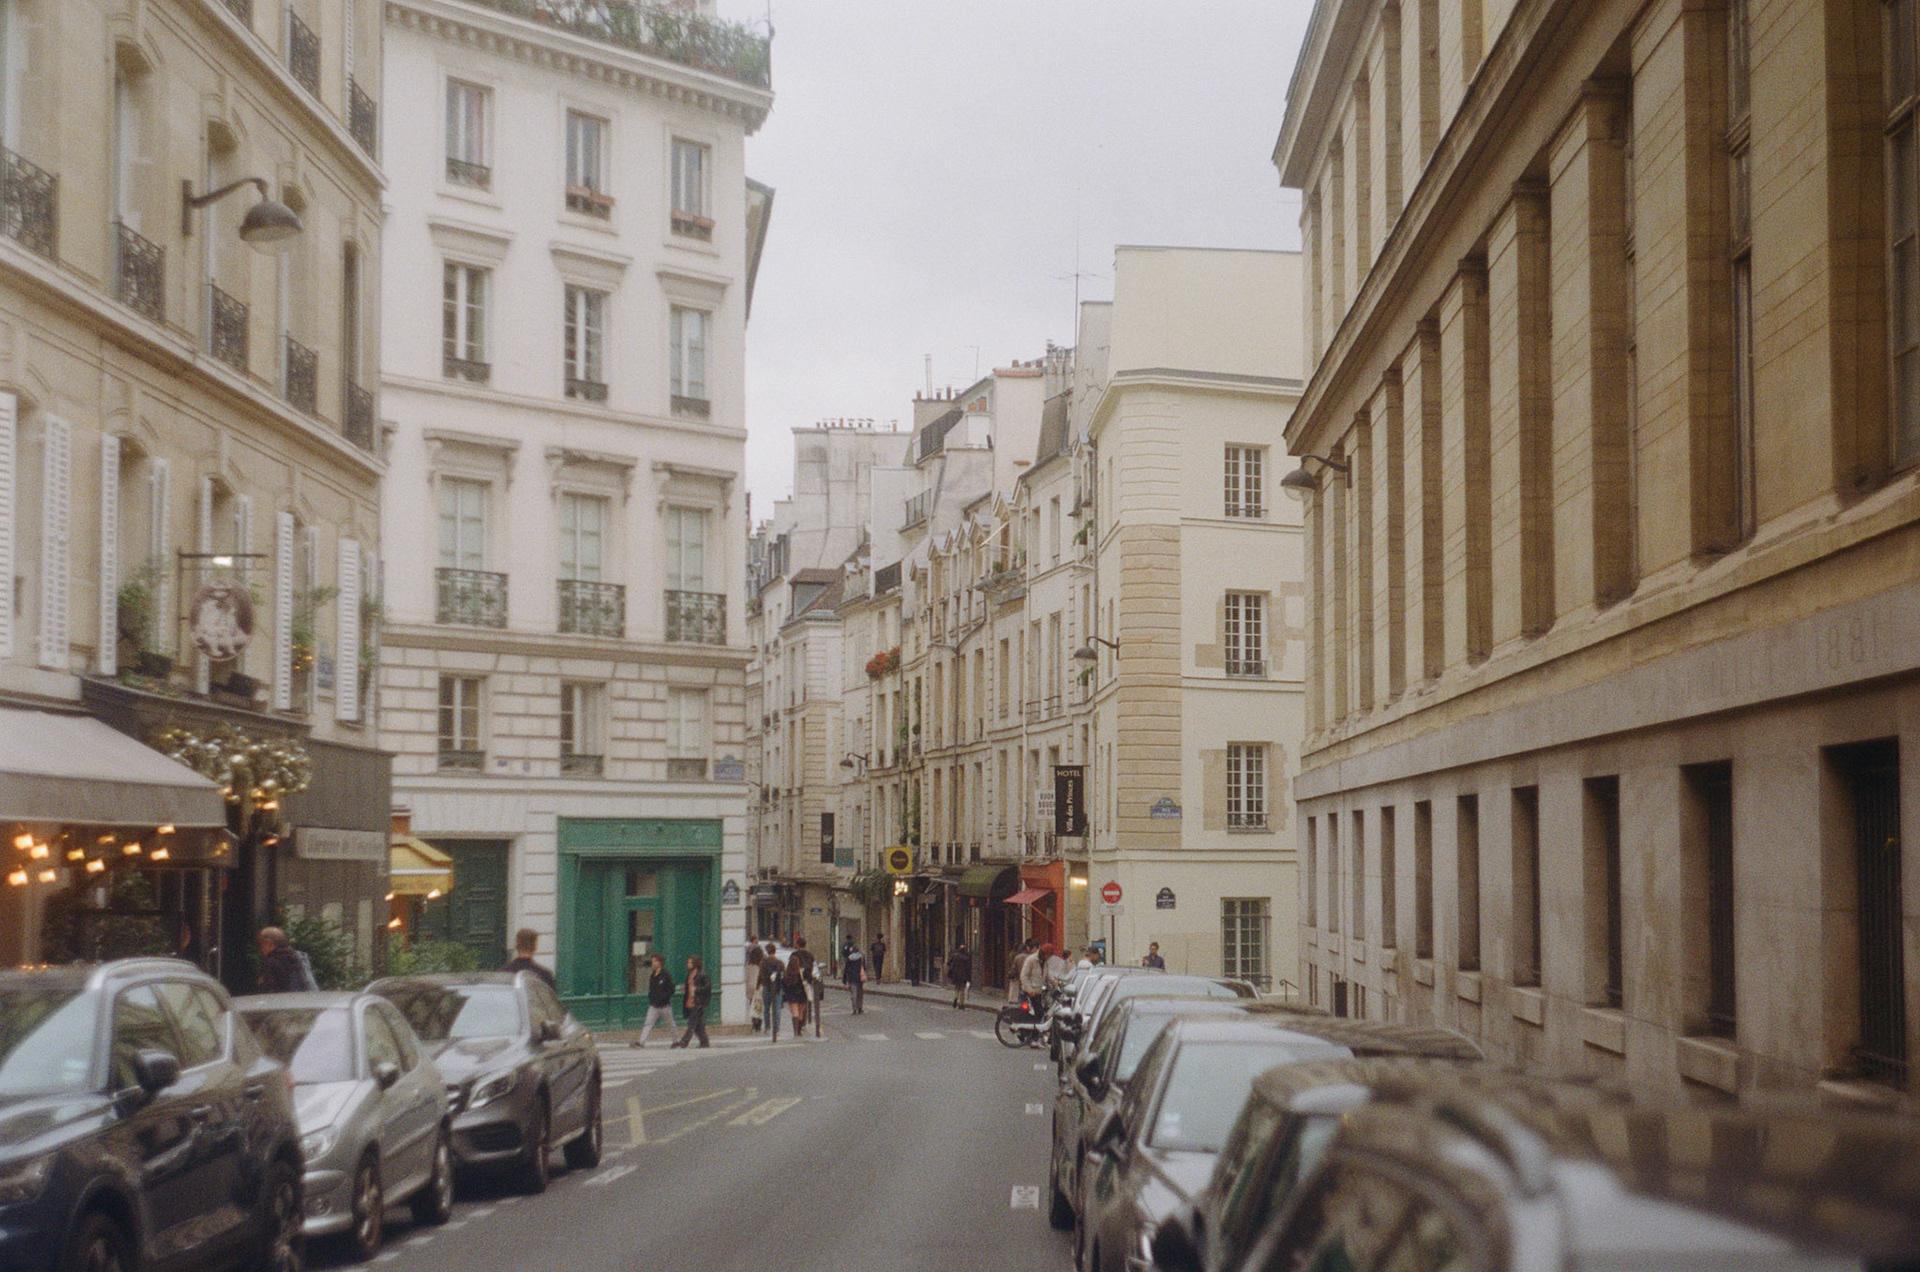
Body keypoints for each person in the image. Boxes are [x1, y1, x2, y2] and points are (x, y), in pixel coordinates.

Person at [632, 954, 676, 1048]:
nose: (652, 964)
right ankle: (641, 1042)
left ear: (659, 962)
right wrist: (651, 997)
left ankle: (675, 1041)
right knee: (648, 1023)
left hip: (664, 1005)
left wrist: (664, 997)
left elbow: (671, 989)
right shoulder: (653, 975)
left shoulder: (666, 975)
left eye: (653, 961)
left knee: (670, 1023)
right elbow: (652, 988)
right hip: (654, 1005)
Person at [255, 926, 312, 993]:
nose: (260, 948)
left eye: (261, 944)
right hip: (306, 997)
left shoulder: (271, 963)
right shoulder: (299, 957)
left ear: (269, 943)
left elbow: (268, 990)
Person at [671, 955, 711, 1049]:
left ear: (695, 964)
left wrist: (696, 989)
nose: (687, 965)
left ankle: (683, 1042)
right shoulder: (690, 975)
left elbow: (707, 987)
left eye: (690, 963)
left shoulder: (701, 975)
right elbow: (689, 987)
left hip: (698, 1003)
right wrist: (684, 988)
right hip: (690, 1002)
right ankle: (704, 1042)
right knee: (698, 1026)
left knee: (691, 1024)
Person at [782, 936, 815, 1039]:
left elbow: (789, 971)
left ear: (797, 944)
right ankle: (799, 1030)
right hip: (803, 985)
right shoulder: (810, 955)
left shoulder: (794, 955)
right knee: (801, 1009)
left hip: (793, 984)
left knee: (794, 1009)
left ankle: (796, 1031)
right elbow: (812, 970)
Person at [757, 942, 785, 1043]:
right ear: (775, 951)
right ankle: (777, 1029)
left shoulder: (763, 963)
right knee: (777, 1009)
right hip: (778, 987)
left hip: (766, 986)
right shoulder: (780, 963)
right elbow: (783, 976)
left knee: (766, 1008)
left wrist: (758, 985)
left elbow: (760, 975)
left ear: (767, 951)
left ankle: (767, 1027)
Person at [841, 940, 866, 1014]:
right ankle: (859, 1008)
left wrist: (844, 979)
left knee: (853, 993)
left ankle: (854, 1009)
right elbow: (864, 967)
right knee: (859, 993)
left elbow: (846, 969)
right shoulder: (861, 958)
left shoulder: (849, 958)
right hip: (859, 977)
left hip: (851, 977)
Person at [946, 944, 973, 1009]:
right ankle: (961, 1004)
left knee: (957, 988)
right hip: (963, 975)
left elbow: (948, 963)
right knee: (962, 989)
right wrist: (969, 978)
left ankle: (955, 998)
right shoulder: (966, 958)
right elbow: (968, 969)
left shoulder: (954, 956)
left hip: (955, 975)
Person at [746, 943, 766, 1032]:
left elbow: (746, 977)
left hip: (751, 988)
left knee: (753, 1005)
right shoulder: (762, 966)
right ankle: (759, 1024)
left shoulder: (748, 966)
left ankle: (754, 1022)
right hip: (760, 987)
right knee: (760, 1006)